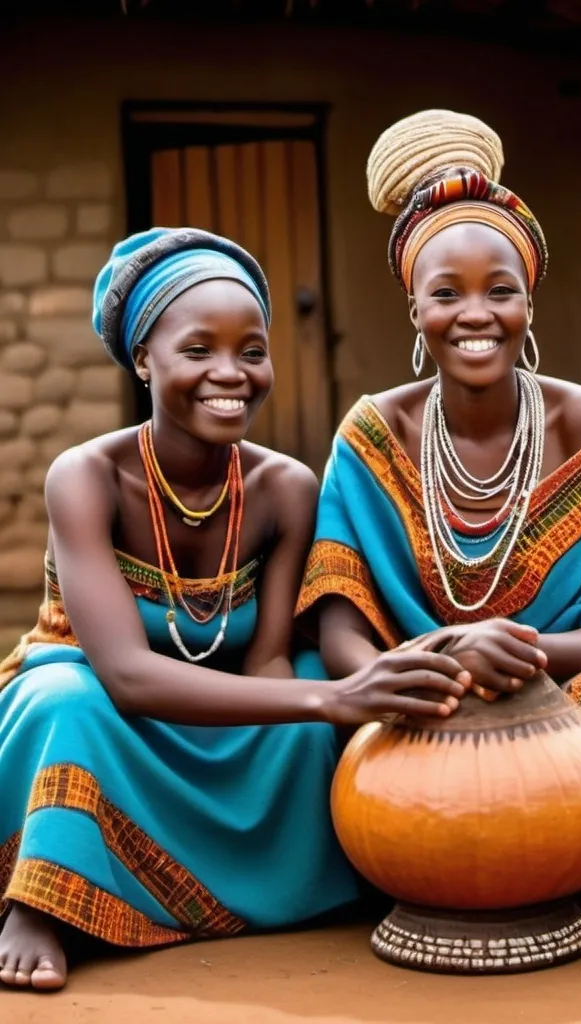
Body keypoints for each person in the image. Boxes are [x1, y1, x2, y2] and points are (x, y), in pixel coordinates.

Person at [0, 227, 469, 991]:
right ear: (143, 359)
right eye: (198, 350)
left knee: (314, 701)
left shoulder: (286, 488)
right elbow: (124, 675)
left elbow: (271, 662)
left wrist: (340, 695)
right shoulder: (83, 477)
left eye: (251, 350)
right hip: (112, 722)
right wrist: (334, 695)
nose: (231, 373)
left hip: (228, 711)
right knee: (66, 698)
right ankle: (42, 898)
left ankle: (280, 888)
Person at [295, 109, 581, 807]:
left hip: (561, 697)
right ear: (415, 309)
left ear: (529, 303)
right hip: (416, 695)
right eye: (446, 293)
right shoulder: (373, 433)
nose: (475, 313)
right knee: (325, 732)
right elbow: (341, 627)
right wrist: (440, 664)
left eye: (500, 290)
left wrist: (514, 656)